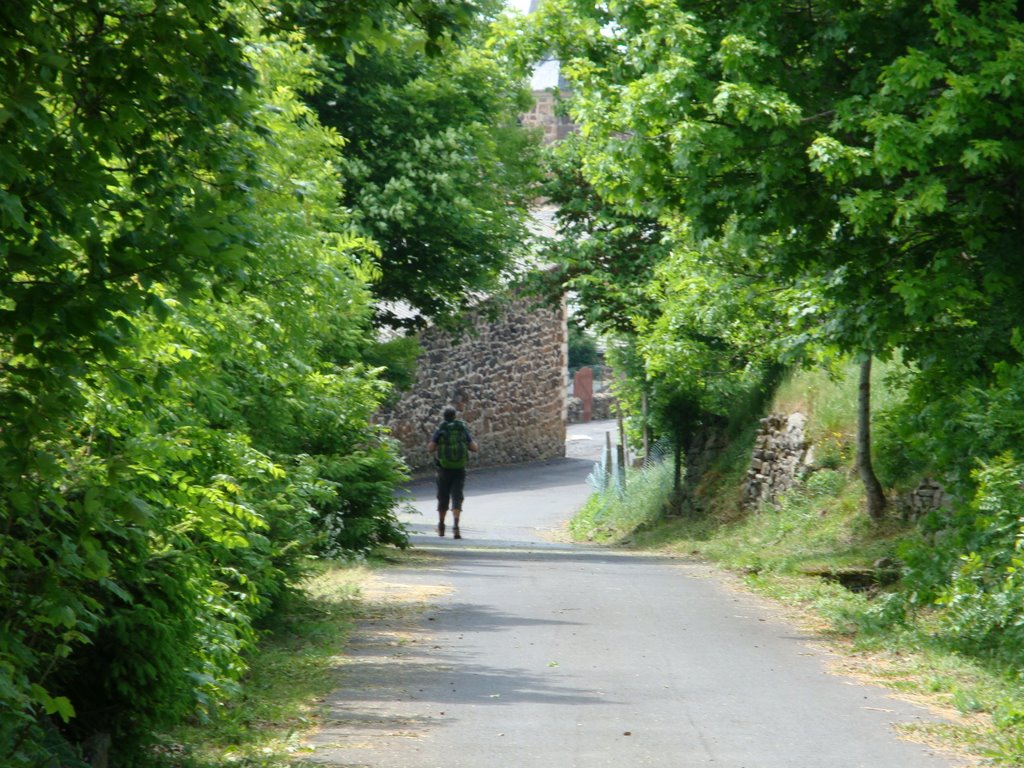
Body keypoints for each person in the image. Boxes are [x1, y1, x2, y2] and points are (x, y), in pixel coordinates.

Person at [427, 405, 479, 539]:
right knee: (457, 496)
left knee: (443, 496)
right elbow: (474, 448)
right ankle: (456, 526)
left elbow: (431, 448)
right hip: (459, 469)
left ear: (444, 417)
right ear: (455, 416)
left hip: (443, 469)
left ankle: (441, 526)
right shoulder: (461, 429)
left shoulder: (441, 429)